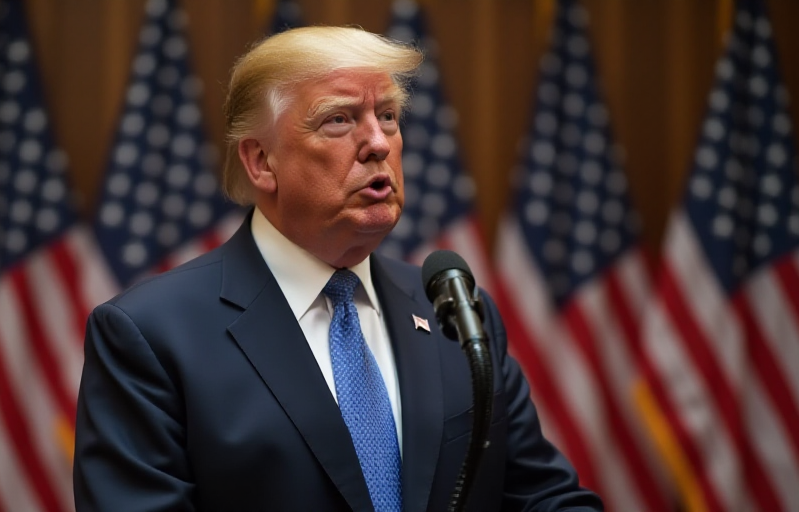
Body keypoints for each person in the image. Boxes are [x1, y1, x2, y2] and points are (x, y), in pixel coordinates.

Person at [74, 26, 602, 512]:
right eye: (339, 119)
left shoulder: (456, 313)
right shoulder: (151, 335)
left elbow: (542, 498)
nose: (378, 143)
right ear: (261, 162)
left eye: (389, 116)